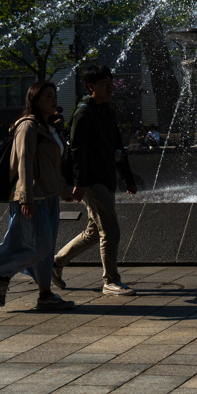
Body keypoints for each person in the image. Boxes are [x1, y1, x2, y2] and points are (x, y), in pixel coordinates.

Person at [0, 81, 74, 310]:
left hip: (48, 196)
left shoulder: (49, 127)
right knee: (41, 247)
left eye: (55, 96)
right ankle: (3, 274)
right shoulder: (28, 126)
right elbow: (24, 164)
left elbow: (52, 166)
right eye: (48, 96)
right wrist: (25, 197)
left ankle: (45, 295)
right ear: (35, 100)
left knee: (46, 250)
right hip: (32, 198)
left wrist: (63, 191)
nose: (54, 100)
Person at [52, 63, 137, 296]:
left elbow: (118, 148)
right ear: (91, 87)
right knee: (110, 230)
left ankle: (55, 263)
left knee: (93, 231)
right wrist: (80, 183)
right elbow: (78, 151)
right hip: (92, 181)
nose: (110, 87)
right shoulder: (83, 113)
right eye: (104, 84)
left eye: (111, 82)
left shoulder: (107, 111)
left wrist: (127, 179)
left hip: (106, 179)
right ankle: (111, 280)